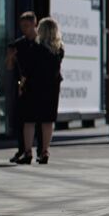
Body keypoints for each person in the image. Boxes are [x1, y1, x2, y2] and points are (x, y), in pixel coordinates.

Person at [17, 17, 65, 164]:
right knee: (47, 121)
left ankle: (27, 153)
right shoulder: (59, 49)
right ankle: (44, 152)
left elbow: (27, 69)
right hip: (51, 89)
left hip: (33, 88)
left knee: (29, 121)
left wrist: (21, 84)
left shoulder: (35, 48)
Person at [7, 12, 44, 164]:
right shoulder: (18, 44)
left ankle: (41, 150)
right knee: (23, 120)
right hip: (23, 87)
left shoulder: (41, 44)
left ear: (35, 24)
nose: (24, 29)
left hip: (39, 87)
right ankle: (23, 150)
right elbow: (9, 67)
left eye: (27, 26)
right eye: (22, 26)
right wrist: (10, 57)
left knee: (41, 120)